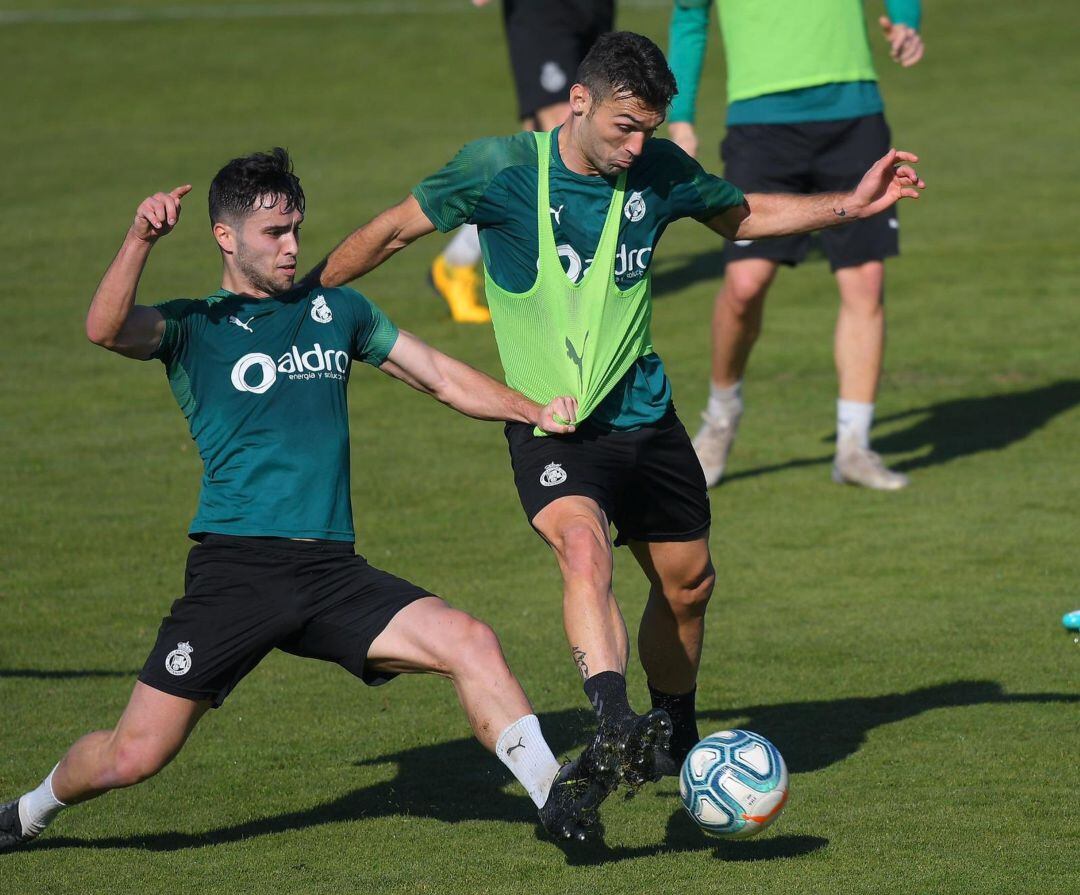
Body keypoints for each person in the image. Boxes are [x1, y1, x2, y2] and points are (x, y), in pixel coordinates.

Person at [310, 31, 923, 800]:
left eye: (649, 130)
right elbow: (393, 229)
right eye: (624, 126)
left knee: (689, 584)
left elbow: (737, 213)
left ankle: (672, 731)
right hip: (554, 424)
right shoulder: (498, 170)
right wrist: (303, 301)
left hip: (646, 414)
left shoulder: (658, 172)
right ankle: (613, 721)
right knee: (582, 549)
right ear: (579, 103)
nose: (637, 145)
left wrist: (848, 205)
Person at [0, 149, 606, 852]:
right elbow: (105, 328)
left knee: (469, 639)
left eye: (295, 229)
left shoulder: (336, 310)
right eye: (273, 234)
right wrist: (139, 239)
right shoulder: (195, 327)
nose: (293, 247)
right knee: (134, 755)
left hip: (330, 574)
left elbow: (439, 375)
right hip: (237, 573)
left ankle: (553, 800)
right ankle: (28, 809)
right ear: (225, 237)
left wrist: (534, 409)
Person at [667, 0, 925, 490]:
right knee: (744, 285)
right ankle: (720, 420)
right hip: (760, 124)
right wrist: (681, 116)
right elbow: (690, 17)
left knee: (865, 281)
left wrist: (906, 20)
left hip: (854, 112)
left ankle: (854, 445)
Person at [431, 0, 616, 324]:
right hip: (543, 12)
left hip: (593, 9)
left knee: (534, 156)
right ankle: (572, 278)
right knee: (569, 131)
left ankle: (456, 264)